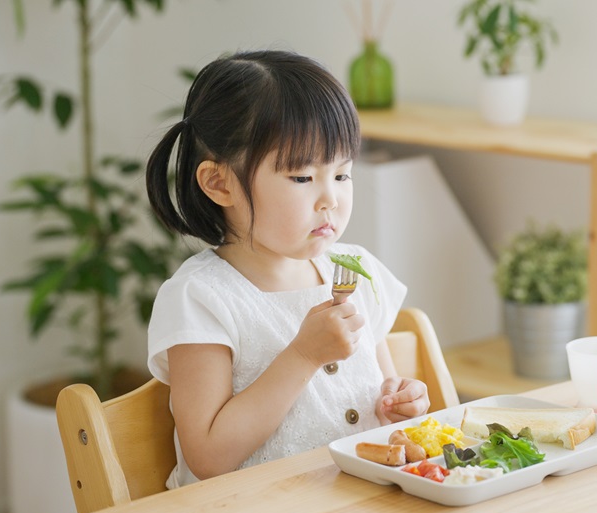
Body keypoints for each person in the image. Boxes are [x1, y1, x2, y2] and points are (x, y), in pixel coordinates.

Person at [144, 49, 430, 489]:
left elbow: (382, 386)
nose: (330, 199)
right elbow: (207, 455)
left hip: (356, 507)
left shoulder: (355, 270)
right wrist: (303, 356)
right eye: (302, 178)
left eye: (342, 174)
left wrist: (399, 401)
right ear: (220, 183)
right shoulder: (201, 298)